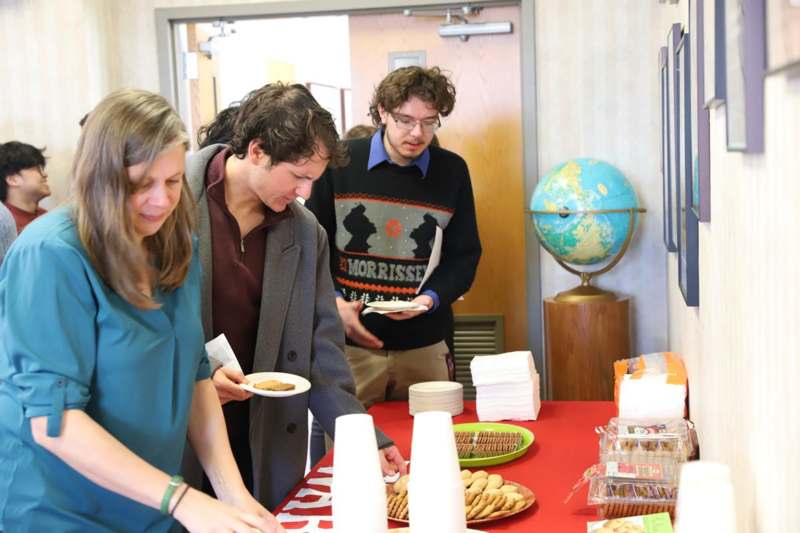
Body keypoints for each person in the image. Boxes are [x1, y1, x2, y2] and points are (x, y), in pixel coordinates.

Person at [0, 89, 283, 532]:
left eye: (172, 182)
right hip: (61, 513)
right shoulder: (51, 255)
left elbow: (194, 376)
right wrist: (183, 499)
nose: (161, 201)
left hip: (149, 503)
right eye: (140, 185)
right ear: (101, 178)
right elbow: (55, 423)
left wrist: (233, 495)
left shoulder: (175, 247)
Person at [182, 82, 406, 510]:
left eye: (313, 180)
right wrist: (199, 376)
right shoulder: (173, 203)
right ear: (258, 150)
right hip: (178, 426)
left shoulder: (305, 232)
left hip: (262, 432)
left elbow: (322, 353)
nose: (305, 193)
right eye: (299, 177)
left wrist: (363, 437)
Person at [305, 66, 482, 410]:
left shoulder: (453, 171)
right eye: (404, 120)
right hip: (351, 348)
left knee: (434, 448)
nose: (417, 133)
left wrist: (429, 299)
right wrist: (336, 303)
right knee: (350, 453)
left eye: (429, 122)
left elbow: (464, 257)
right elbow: (312, 249)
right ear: (383, 112)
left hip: (426, 345)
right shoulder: (339, 162)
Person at [0, 141, 51, 233]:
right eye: (38, 169)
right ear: (13, 180)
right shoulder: (5, 227)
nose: (45, 174)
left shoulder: (45, 216)